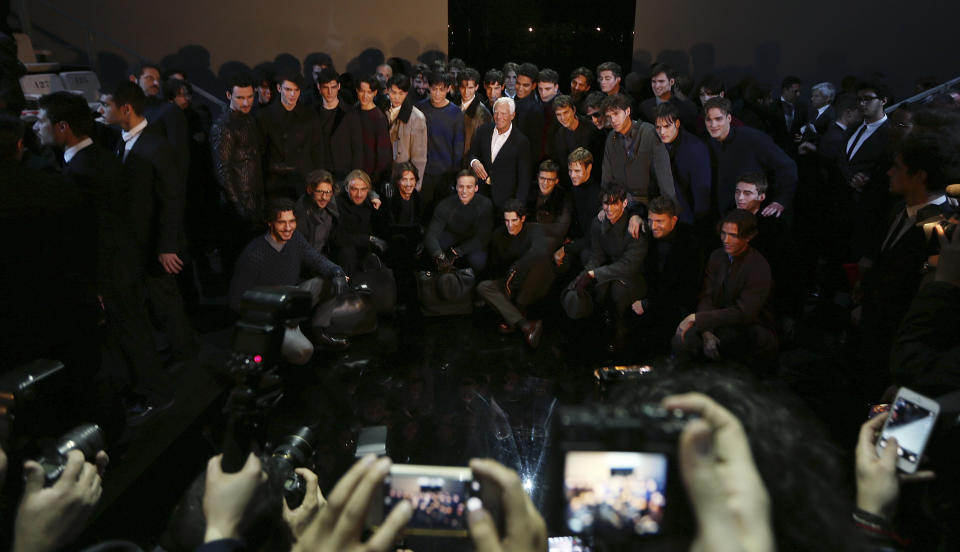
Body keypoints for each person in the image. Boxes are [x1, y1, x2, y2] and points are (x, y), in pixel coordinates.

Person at [36, 91, 174, 422]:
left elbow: (93, 233)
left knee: (130, 333)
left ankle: (155, 395)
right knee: (132, 332)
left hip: (111, 270)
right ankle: (147, 392)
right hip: (124, 263)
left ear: (62, 127)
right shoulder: (102, 158)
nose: (36, 126)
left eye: (41, 120)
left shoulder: (81, 173)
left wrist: (95, 282)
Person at [102, 82, 201, 363]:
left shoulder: (157, 146)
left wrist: (167, 246)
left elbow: (171, 199)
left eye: (106, 104)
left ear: (126, 108)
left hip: (157, 243)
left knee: (165, 299)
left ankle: (185, 351)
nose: (101, 109)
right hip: (137, 241)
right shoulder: (121, 140)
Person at [856, 129, 956, 397]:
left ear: (919, 176)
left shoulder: (944, 232)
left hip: (903, 357)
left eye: (898, 167)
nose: (889, 173)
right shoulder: (899, 210)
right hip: (873, 342)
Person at [229, 198, 350, 354]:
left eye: (291, 221)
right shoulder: (254, 254)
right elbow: (236, 301)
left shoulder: (295, 238)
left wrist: (338, 272)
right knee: (303, 352)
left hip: (293, 297)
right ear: (270, 223)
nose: (288, 228)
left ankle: (319, 332)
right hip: (272, 312)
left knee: (332, 280)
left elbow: (318, 260)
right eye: (281, 223)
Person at [674, 209, 776, 366]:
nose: (726, 240)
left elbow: (744, 313)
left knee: (726, 345)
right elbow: (707, 297)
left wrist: (698, 318)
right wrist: (707, 332)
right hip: (718, 321)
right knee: (683, 339)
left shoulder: (758, 266)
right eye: (723, 233)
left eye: (733, 235)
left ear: (748, 237)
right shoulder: (717, 256)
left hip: (750, 327)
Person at [564, 181, 647, 350]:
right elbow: (596, 256)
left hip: (634, 277)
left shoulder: (634, 227)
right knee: (593, 287)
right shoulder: (598, 223)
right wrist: (582, 277)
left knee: (617, 288)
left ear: (624, 203)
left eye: (614, 203)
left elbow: (629, 266)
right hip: (611, 270)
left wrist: (595, 274)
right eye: (605, 203)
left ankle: (620, 331)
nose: (609, 208)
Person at [703, 96, 797, 218]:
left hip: (758, 216)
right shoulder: (706, 144)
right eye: (708, 120)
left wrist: (780, 201)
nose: (713, 124)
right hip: (726, 217)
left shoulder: (753, 138)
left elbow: (787, 166)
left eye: (718, 119)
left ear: (729, 118)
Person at [630, 196, 702, 353]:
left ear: (674, 220)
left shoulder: (689, 243)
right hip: (654, 298)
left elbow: (685, 290)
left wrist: (648, 303)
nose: (653, 226)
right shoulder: (649, 235)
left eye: (659, 221)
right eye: (650, 220)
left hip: (678, 305)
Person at [477, 199, 553, 348]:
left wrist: (516, 268)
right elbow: (493, 267)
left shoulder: (534, 230)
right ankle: (525, 325)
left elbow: (540, 251)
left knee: (542, 264)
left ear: (522, 218)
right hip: (508, 283)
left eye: (514, 220)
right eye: (507, 221)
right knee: (483, 287)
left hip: (530, 282)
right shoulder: (498, 234)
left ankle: (514, 314)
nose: (510, 225)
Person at [210, 73, 264, 265]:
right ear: (228, 95)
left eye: (250, 97)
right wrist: (237, 204)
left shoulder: (249, 120)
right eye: (240, 97)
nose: (246, 102)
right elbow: (222, 170)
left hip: (253, 200)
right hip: (236, 206)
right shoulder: (224, 126)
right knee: (238, 260)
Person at [837, 80, 893, 260]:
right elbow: (843, 161)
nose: (862, 104)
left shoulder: (890, 133)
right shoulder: (853, 128)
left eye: (868, 99)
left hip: (868, 209)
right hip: (842, 205)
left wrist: (865, 181)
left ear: (883, 101)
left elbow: (887, 170)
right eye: (860, 99)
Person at [601, 93, 676, 205]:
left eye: (616, 114)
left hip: (648, 201)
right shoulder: (611, 138)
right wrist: (605, 204)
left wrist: (669, 209)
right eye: (609, 116)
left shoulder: (649, 132)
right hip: (620, 202)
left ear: (627, 111)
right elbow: (606, 176)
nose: (612, 119)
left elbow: (664, 175)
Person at [257, 70, 320, 200]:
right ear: (279, 88)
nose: (292, 94)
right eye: (288, 89)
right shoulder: (265, 115)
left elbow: (317, 148)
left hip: (303, 178)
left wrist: (317, 180)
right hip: (276, 181)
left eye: (296, 90)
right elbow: (259, 151)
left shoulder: (309, 114)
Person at [468, 97, 532, 210]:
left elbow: (524, 179)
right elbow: (472, 153)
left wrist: (518, 206)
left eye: (503, 113)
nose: (498, 117)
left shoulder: (521, 142)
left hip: (505, 200)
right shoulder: (483, 130)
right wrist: (474, 162)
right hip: (481, 194)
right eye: (496, 113)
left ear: (512, 115)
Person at [653, 102, 711, 227]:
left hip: (691, 220)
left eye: (666, 126)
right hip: (666, 215)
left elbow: (702, 189)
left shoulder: (695, 148)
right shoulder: (656, 145)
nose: (662, 131)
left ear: (677, 124)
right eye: (658, 127)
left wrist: (698, 221)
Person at [424, 170, 494, 273]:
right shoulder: (445, 205)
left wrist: (458, 251)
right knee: (431, 250)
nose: (464, 191)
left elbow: (483, 237)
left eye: (469, 187)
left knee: (478, 262)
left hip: (473, 240)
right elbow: (431, 235)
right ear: (456, 187)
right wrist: (439, 255)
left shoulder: (485, 205)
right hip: (451, 236)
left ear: (476, 188)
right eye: (461, 186)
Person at [417, 71, 466, 212]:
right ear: (428, 87)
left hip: (445, 174)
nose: (437, 93)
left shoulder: (455, 113)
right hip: (423, 172)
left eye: (442, 89)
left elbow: (458, 147)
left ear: (448, 89)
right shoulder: (420, 108)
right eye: (434, 89)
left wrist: (454, 176)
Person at [331, 169, 387, 275]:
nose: (359, 194)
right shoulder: (337, 204)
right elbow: (339, 237)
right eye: (354, 189)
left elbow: (380, 228)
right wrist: (368, 239)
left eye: (363, 189)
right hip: (345, 251)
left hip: (366, 250)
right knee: (347, 253)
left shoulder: (371, 203)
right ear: (347, 188)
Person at [554, 147, 602, 269]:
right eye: (570, 171)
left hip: (594, 245)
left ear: (589, 168)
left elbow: (593, 236)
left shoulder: (595, 195)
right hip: (578, 240)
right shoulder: (575, 187)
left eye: (577, 171)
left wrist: (567, 248)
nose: (572, 175)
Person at [315, 68, 363, 183]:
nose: (330, 92)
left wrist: (356, 177)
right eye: (326, 87)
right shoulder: (313, 113)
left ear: (339, 86)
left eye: (333, 87)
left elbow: (358, 149)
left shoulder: (351, 113)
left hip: (343, 174)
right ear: (319, 88)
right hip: (319, 173)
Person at [551, 94, 603, 187]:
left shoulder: (591, 129)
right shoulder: (558, 134)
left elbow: (599, 160)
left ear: (574, 110)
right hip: (572, 184)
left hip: (593, 182)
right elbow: (563, 164)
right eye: (559, 114)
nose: (563, 118)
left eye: (566, 112)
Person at [384, 73, 427, 184]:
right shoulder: (381, 109)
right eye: (393, 92)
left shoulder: (417, 117)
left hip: (403, 177)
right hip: (382, 173)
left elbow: (419, 158)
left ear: (407, 93)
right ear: (387, 90)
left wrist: (415, 187)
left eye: (401, 93)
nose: (397, 97)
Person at [354, 74, 392, 187]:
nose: (365, 96)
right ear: (357, 91)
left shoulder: (379, 118)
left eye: (369, 92)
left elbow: (383, 155)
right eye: (362, 91)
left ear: (375, 93)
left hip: (370, 177)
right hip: (353, 172)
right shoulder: (353, 111)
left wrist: (374, 178)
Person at [526, 159, 572, 250]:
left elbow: (560, 229)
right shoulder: (529, 191)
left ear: (556, 181)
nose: (545, 183)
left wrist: (531, 227)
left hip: (551, 242)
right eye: (542, 178)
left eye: (550, 180)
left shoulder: (563, 197)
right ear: (538, 177)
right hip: (528, 239)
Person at [639, 63, 698, 132]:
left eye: (661, 81)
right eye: (654, 81)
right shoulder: (645, 107)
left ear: (671, 82)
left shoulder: (685, 109)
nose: (656, 86)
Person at [294, 169, 339, 255]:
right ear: (310, 190)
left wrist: (372, 195)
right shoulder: (300, 212)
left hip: (324, 256)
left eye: (328, 192)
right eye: (319, 192)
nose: (324, 197)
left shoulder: (331, 203)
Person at [512, 62, 544, 166]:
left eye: (525, 85)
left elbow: (535, 148)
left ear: (534, 85)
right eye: (518, 83)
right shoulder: (512, 101)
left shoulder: (535, 110)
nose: (520, 88)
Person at [459, 67, 491, 157]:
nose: (466, 92)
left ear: (476, 87)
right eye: (463, 87)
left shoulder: (484, 114)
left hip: (470, 163)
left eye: (470, 88)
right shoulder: (453, 106)